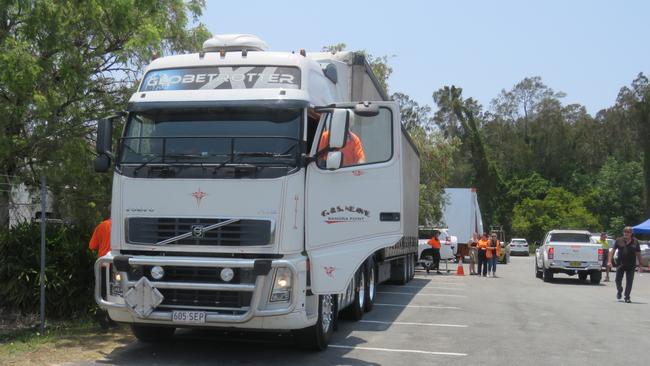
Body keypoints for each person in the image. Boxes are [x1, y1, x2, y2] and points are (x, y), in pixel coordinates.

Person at [89, 212, 114, 328]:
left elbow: (92, 246)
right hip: (117, 265)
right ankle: (113, 318)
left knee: (102, 292)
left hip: (103, 264)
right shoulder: (122, 226)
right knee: (115, 291)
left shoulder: (101, 226)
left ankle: (101, 317)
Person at [608, 226, 643, 303]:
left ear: (631, 233)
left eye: (628, 232)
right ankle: (620, 290)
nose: (626, 233)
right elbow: (612, 251)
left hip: (631, 265)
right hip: (620, 264)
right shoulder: (619, 240)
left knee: (629, 281)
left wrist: (641, 265)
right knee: (617, 280)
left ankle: (627, 297)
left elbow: (638, 253)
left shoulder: (635, 241)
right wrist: (609, 261)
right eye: (625, 232)